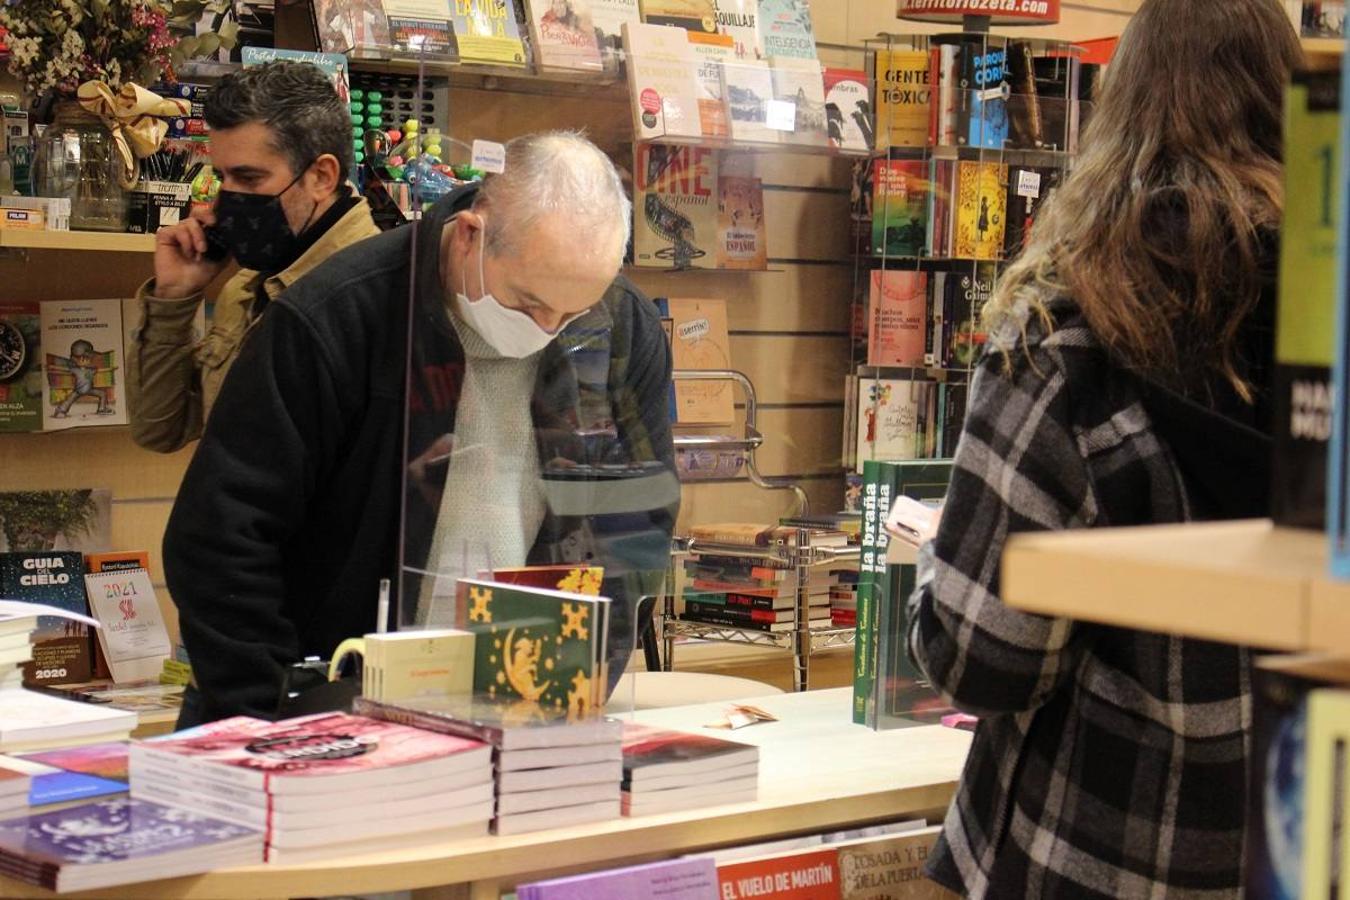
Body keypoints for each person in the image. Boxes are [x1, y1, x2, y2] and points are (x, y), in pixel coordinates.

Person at [905, 0, 1299, 896]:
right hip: (1288, 847)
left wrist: (936, 556)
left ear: (1118, 109)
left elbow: (985, 660)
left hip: (1096, 853)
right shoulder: (1330, 334)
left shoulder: (1064, 340)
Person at [163, 131, 678, 726]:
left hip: (522, 699)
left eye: (574, 312)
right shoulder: (338, 316)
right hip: (331, 702)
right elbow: (220, 540)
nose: (549, 327)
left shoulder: (623, 326)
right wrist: (286, 716)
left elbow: (637, 524)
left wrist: (574, 692)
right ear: (469, 235)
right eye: (530, 301)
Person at [126, 61, 380, 453]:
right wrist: (173, 299)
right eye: (222, 176)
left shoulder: (376, 300)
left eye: (248, 179)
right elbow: (159, 431)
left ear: (321, 177)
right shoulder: (247, 288)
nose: (226, 197)